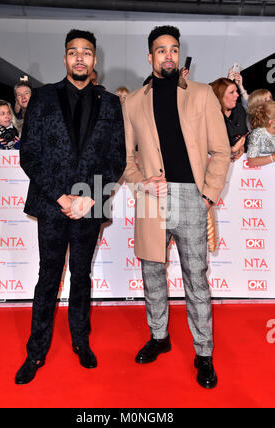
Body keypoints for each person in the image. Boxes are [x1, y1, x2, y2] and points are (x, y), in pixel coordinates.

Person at [15, 29, 126, 384]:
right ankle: (36, 352)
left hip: (89, 205)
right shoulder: (43, 98)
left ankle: (81, 341)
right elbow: (28, 155)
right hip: (52, 206)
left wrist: (90, 197)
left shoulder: (110, 103)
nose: (80, 57)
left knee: (81, 277)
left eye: (87, 52)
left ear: (95, 60)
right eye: (73, 52)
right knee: (48, 277)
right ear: (65, 59)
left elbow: (117, 159)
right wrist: (61, 198)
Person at [123, 25, 230, 389]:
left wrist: (206, 197)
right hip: (152, 199)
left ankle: (204, 353)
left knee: (195, 280)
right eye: (160, 50)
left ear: (177, 54)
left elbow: (221, 151)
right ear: (150, 56)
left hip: (191, 198)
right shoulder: (133, 102)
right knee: (152, 275)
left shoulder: (202, 95)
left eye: (173, 49)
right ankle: (159, 337)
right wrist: (141, 183)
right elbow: (126, 160)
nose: (168, 55)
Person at [210, 77, 248, 161]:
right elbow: (210, 148)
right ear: (220, 96)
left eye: (236, 91)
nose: (237, 95)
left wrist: (241, 148)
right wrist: (232, 150)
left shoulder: (239, 109)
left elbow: (243, 135)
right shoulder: (209, 116)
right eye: (232, 92)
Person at [247, 101, 275, 167]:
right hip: (262, 174)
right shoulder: (257, 134)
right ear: (271, 121)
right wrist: (273, 157)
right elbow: (251, 161)